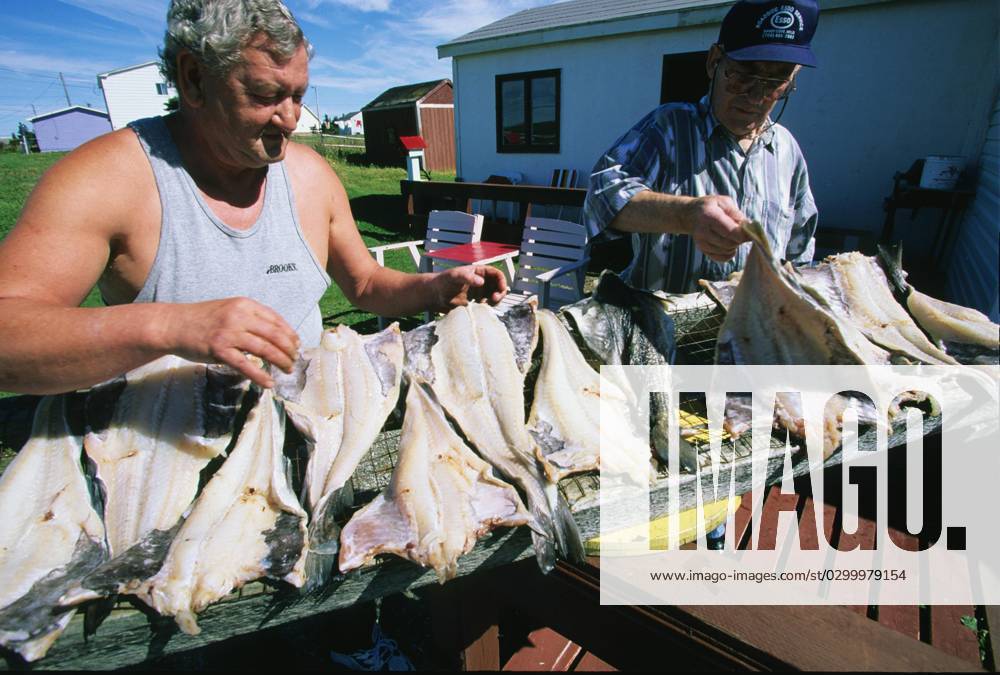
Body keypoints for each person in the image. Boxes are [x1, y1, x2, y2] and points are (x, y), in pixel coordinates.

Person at [0, 0, 506, 395]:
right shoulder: (108, 178)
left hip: (309, 437)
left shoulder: (309, 175)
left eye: (299, 96)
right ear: (193, 79)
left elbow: (366, 283)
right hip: (164, 467)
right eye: (265, 96)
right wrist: (172, 323)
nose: (290, 119)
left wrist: (436, 287)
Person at [582, 0, 820, 294]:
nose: (756, 97)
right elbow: (600, 198)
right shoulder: (670, 127)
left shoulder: (786, 150)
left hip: (752, 329)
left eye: (775, 82)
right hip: (666, 328)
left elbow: (800, 248)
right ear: (713, 61)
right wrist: (687, 215)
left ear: (792, 78)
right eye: (743, 75)